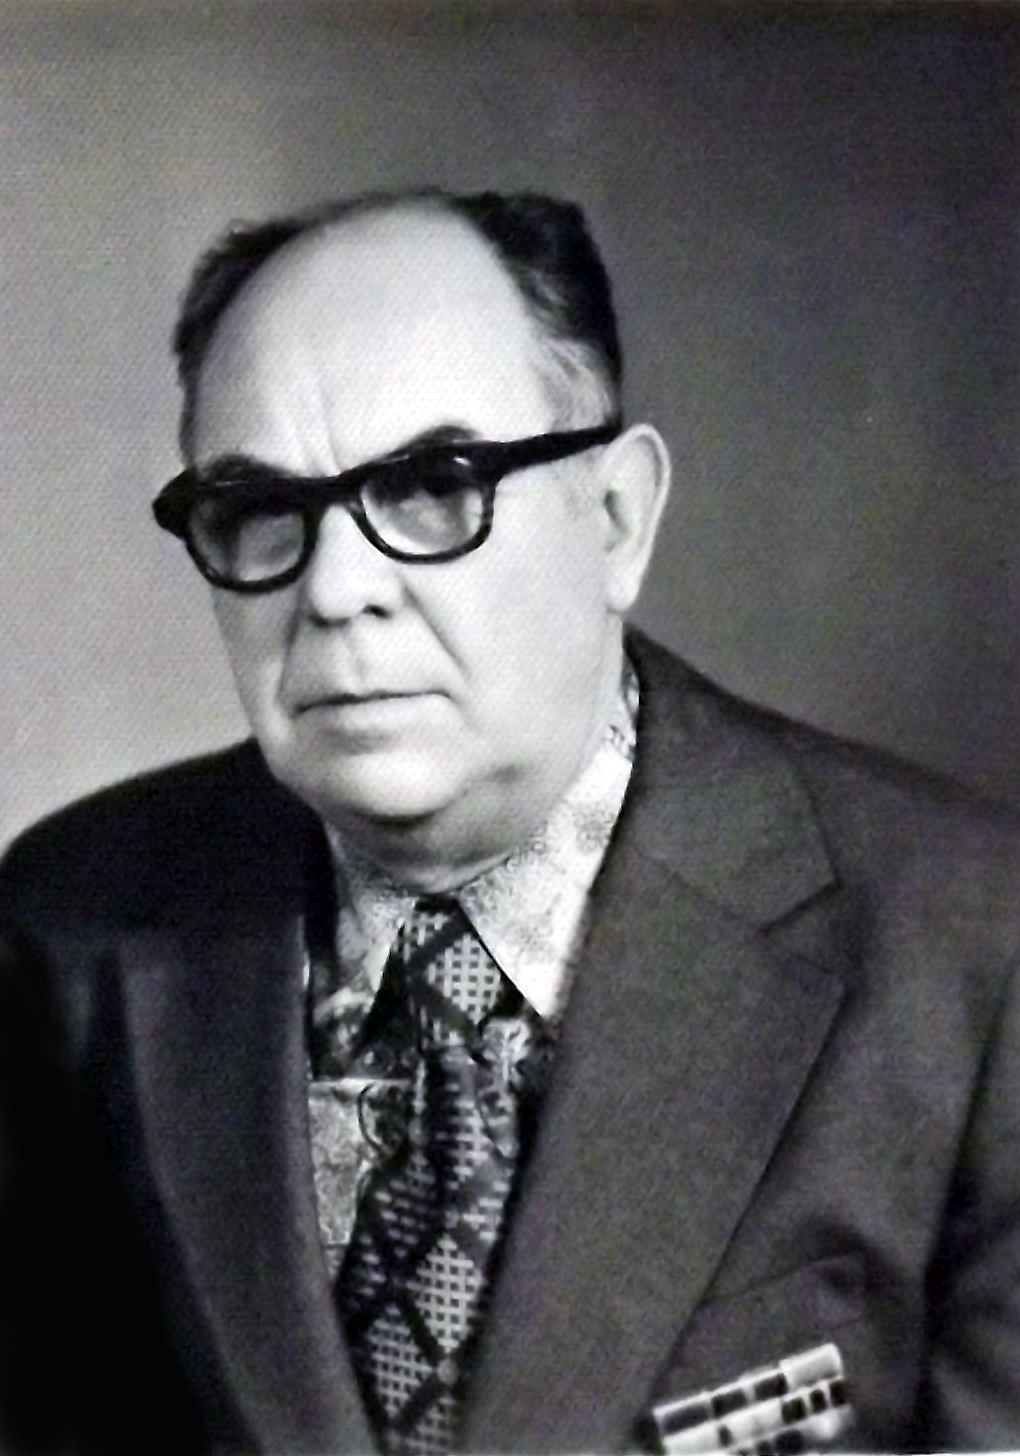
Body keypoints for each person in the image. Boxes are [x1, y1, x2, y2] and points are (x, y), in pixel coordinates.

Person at [1, 187, 1019, 1456]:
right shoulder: (64, 930)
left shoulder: (968, 946)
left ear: (617, 519)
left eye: (437, 485)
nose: (336, 590)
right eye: (260, 510)